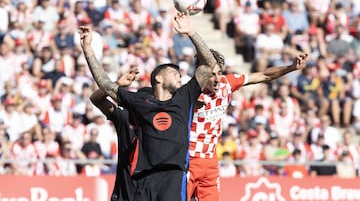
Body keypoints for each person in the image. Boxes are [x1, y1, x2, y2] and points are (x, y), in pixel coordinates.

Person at [78, 12, 217, 201]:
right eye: (173, 73)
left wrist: (191, 32)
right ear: (158, 78)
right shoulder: (139, 103)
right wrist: (88, 50)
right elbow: (105, 85)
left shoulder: (185, 97)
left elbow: (209, 65)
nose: (179, 76)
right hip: (142, 179)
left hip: (173, 176)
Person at [187, 50, 308, 200]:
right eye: (212, 75)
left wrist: (290, 67)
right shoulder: (188, 94)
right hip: (188, 160)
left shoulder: (226, 84)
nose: (218, 79)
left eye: (219, 73)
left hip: (211, 161)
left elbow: (263, 75)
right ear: (201, 74)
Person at [90, 69, 139, 201]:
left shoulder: (164, 121)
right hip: (125, 190)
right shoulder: (125, 117)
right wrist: (116, 84)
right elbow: (96, 98)